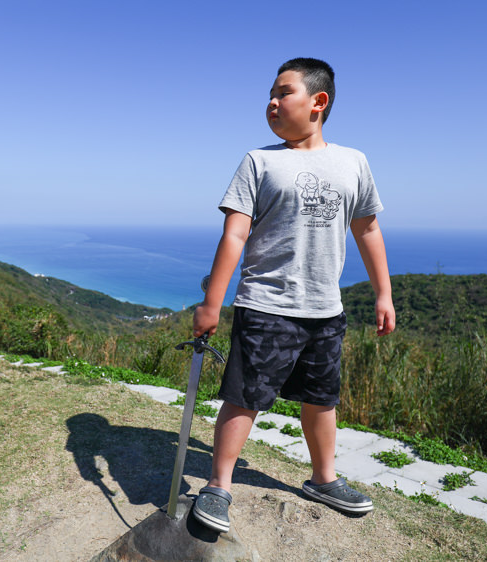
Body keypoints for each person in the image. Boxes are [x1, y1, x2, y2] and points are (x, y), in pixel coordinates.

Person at [191, 57, 395, 533]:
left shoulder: (354, 162)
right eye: (272, 94)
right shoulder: (259, 161)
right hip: (267, 304)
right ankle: (218, 485)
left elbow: (368, 230)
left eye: (284, 93)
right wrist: (212, 304)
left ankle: (324, 479)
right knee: (244, 398)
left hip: (326, 309)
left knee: (322, 400)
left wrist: (384, 293)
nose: (272, 102)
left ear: (318, 102)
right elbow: (234, 236)